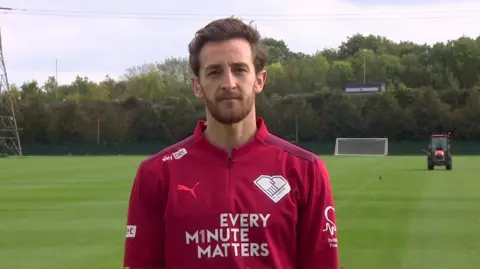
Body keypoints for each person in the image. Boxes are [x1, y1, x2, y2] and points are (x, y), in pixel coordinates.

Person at [123, 17, 339, 269]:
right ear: (197, 86)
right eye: (214, 72)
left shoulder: (305, 170)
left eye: (239, 69)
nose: (228, 83)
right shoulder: (157, 174)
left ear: (259, 80)